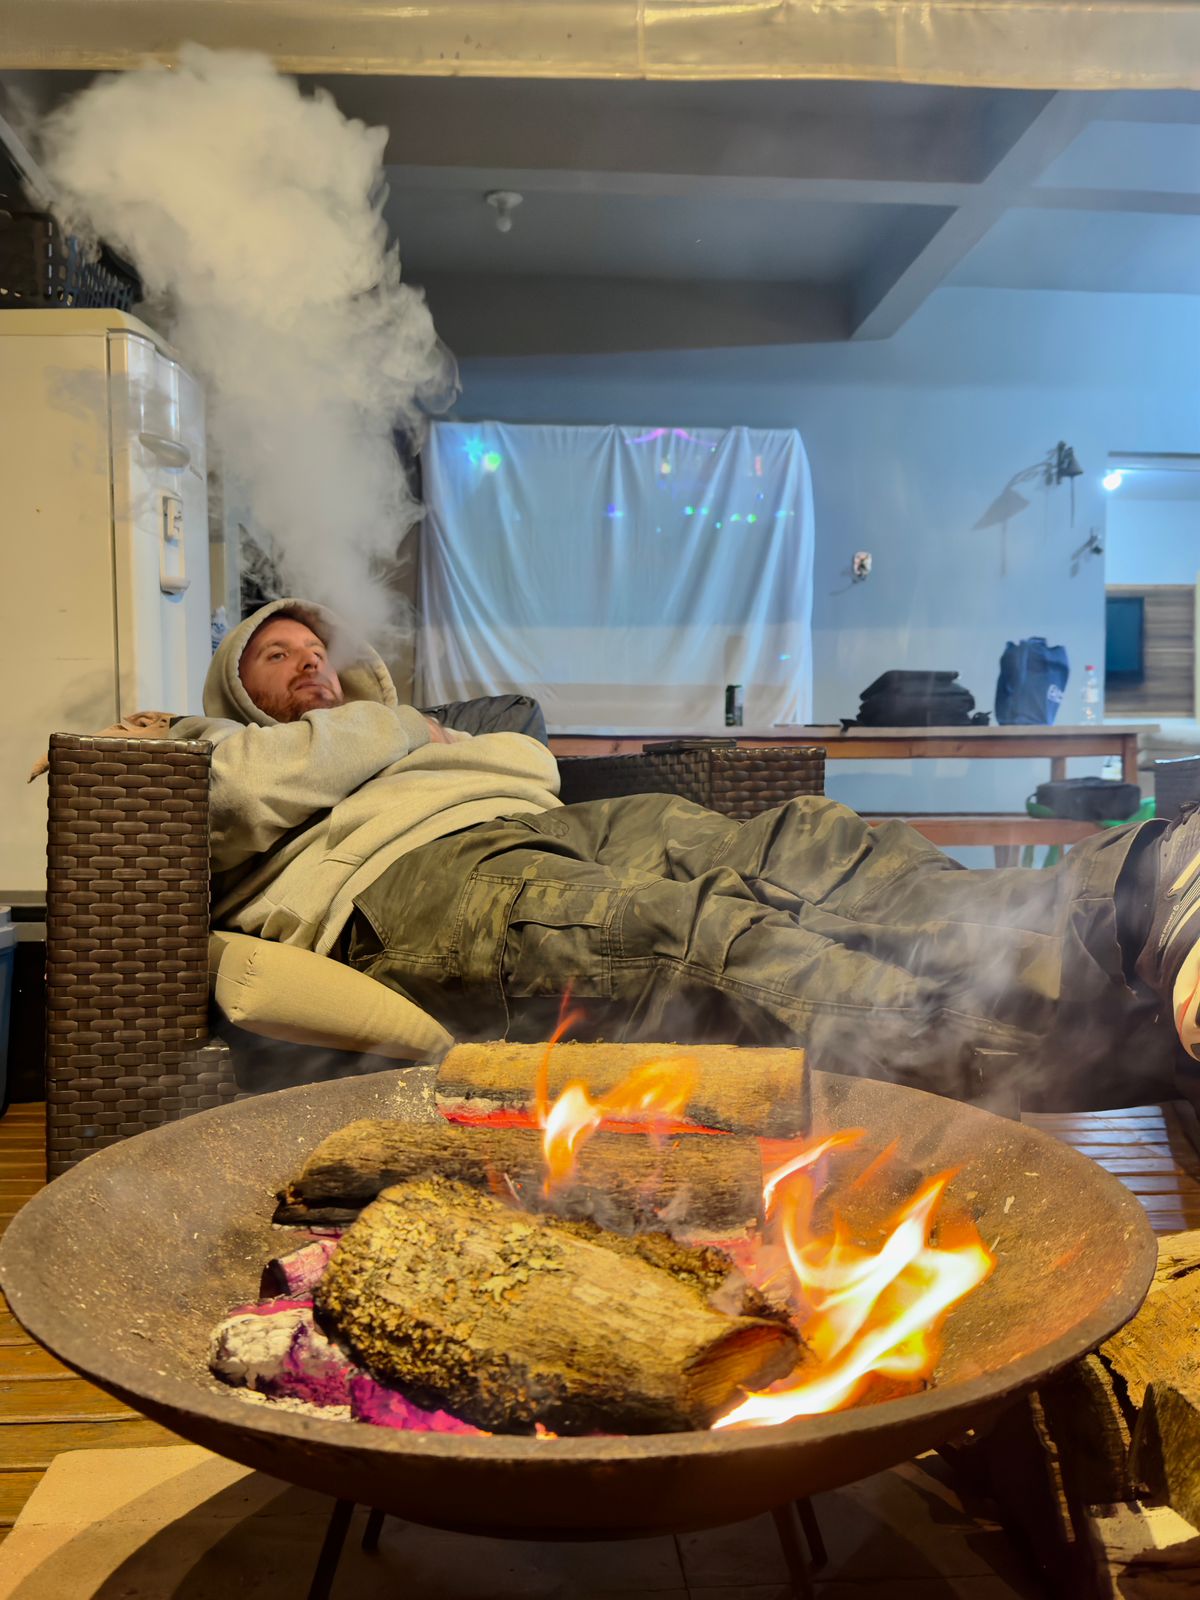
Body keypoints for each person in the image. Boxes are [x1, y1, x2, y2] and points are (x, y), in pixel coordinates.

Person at [173, 598, 1200, 1109]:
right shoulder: (216, 747)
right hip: (407, 887)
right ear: (233, 687)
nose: (310, 662)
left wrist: (412, 737)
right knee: (702, 938)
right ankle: (1119, 1045)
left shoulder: (411, 738)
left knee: (803, 844)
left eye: (319, 651)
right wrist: (402, 728)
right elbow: (238, 797)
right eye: (278, 653)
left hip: (536, 826)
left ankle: (1141, 895)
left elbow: (526, 764)